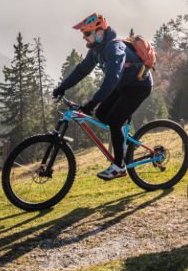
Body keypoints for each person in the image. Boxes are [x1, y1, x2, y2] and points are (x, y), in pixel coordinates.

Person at [52, 13, 153, 180]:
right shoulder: (96, 50)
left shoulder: (115, 48)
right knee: (101, 114)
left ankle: (119, 166)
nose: (84, 38)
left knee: (114, 121)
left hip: (138, 87)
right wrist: (62, 87)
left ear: (99, 33)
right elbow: (82, 70)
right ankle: (125, 145)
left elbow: (112, 78)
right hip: (123, 85)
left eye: (86, 34)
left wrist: (92, 102)